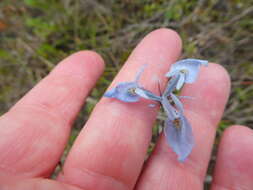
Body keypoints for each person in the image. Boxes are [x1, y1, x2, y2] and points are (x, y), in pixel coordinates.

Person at [0, 29, 252, 190]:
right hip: (154, 98)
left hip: (167, 104)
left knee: (180, 137)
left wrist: (173, 109)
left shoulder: (175, 101)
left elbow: (188, 69)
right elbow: (120, 92)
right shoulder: (147, 92)